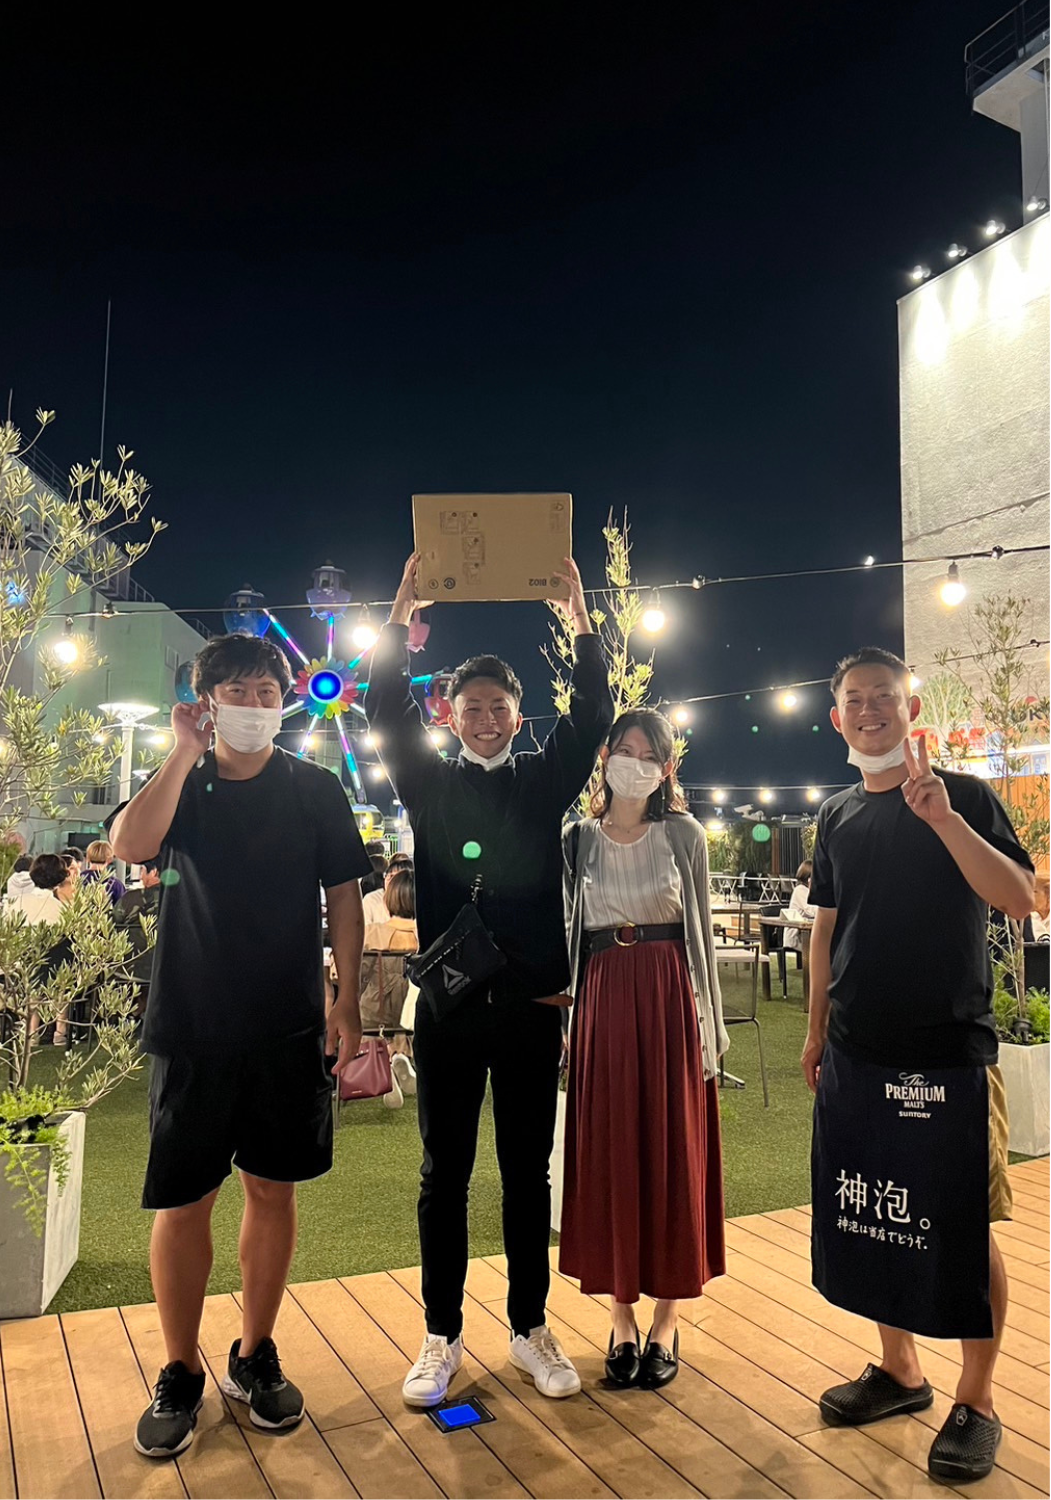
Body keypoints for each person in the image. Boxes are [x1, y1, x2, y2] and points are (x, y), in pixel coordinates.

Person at [349, 552, 612, 1408]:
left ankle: (530, 1328)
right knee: (443, 1173)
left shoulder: (542, 781)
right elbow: (380, 704)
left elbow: (593, 713)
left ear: (516, 715)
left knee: (528, 1174)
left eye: (499, 708)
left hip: (532, 1006)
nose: (487, 720)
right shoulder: (426, 781)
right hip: (451, 1009)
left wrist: (580, 617)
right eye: (471, 709)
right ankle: (441, 1334)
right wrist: (401, 608)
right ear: (449, 716)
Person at [109, 632, 370, 1461]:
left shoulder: (315, 787)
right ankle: (179, 1368)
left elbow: (344, 897)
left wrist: (345, 998)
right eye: (237, 692)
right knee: (183, 1200)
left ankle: (255, 1352)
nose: (255, 706)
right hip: (191, 1024)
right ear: (206, 701)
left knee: (272, 1189)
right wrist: (181, 753)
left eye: (267, 693)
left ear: (284, 703)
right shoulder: (185, 784)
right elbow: (129, 847)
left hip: (287, 1025)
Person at [802, 647, 1034, 1486]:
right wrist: (815, 1031)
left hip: (947, 1051)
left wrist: (941, 819)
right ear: (836, 717)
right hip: (856, 1053)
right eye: (854, 699)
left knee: (962, 1227)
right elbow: (825, 928)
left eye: (884, 697)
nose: (869, 710)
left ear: (910, 709)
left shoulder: (960, 794)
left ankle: (978, 1399)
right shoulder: (834, 814)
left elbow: (1020, 899)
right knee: (872, 1216)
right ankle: (900, 1370)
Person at [560, 709, 727, 1389]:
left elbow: (701, 935)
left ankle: (665, 1319)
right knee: (613, 1149)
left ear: (667, 768)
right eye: (624, 750)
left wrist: (709, 1025)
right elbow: (566, 932)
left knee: (671, 1148)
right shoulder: (577, 839)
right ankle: (621, 1316)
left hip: (667, 998)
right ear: (604, 757)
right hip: (602, 998)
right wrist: (566, 1020)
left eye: (649, 754)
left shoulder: (684, 834)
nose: (634, 762)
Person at [360, 867, 419, 1103]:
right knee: (407, 1016)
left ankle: (384, 1063)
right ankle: (398, 1054)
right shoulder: (427, 935)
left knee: (364, 1012)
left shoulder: (371, 934)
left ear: (388, 899)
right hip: (413, 1015)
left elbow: (349, 975)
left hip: (375, 1013)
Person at [115, 859, 164, 1008]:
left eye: (142, 871)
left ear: (153, 872)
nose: (141, 876)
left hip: (127, 970)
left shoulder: (129, 898)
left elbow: (111, 925)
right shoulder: (179, 899)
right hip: (164, 970)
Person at [362, 853, 414, 926]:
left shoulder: (415, 900)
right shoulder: (371, 900)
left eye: (393, 876)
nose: (388, 879)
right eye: (387, 874)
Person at [783, 859, 817, 951]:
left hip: (807, 935)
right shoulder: (800, 890)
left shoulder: (810, 891)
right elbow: (812, 910)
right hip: (796, 939)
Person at [81, 840, 126, 905]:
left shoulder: (77, 879)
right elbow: (122, 908)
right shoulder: (116, 885)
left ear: (87, 858)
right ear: (110, 859)